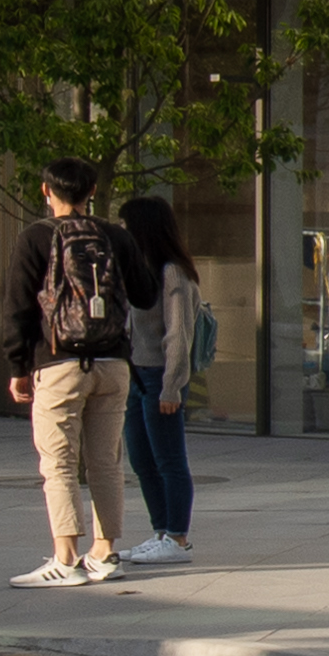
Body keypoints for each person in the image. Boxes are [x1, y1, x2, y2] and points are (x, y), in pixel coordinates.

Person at [11, 155, 147, 590]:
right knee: (106, 462)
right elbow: (144, 294)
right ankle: (105, 553)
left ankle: (66, 558)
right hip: (113, 364)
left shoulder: (35, 237)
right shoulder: (116, 236)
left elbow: (17, 306)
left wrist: (18, 365)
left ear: (45, 191)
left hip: (59, 362)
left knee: (60, 463)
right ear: (91, 193)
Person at [113, 189, 205, 571]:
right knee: (141, 459)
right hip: (135, 376)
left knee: (168, 458)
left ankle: (177, 536)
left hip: (160, 376)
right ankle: (160, 532)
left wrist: (171, 386)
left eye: (126, 225)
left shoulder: (172, 273)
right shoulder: (138, 271)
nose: (121, 231)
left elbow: (178, 335)